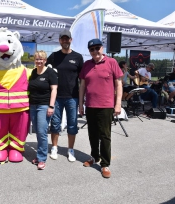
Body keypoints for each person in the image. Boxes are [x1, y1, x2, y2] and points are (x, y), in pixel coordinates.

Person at [79, 39, 123, 178]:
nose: (95, 51)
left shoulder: (112, 62)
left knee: (105, 136)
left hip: (106, 106)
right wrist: (81, 104)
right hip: (90, 105)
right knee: (92, 134)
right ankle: (94, 157)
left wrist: (118, 104)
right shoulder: (87, 65)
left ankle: (105, 164)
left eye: (97, 48)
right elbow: (82, 87)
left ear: (102, 48)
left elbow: (119, 84)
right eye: (91, 49)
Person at [46, 28, 84, 162]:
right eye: (63, 39)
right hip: (56, 97)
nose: (65, 41)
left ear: (71, 40)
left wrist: (81, 101)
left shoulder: (78, 57)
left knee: (72, 124)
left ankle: (70, 149)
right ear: (60, 40)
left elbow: (82, 80)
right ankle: (54, 147)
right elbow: (45, 71)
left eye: (67, 38)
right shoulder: (54, 56)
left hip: (72, 97)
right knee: (55, 124)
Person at [29, 51, 58, 170]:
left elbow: (54, 90)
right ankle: (39, 155)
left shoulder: (50, 72)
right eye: (37, 59)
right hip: (33, 105)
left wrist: (51, 106)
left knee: (42, 132)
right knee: (38, 132)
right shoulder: (33, 72)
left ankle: (42, 159)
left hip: (44, 106)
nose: (39, 61)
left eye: (41, 59)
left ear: (45, 60)